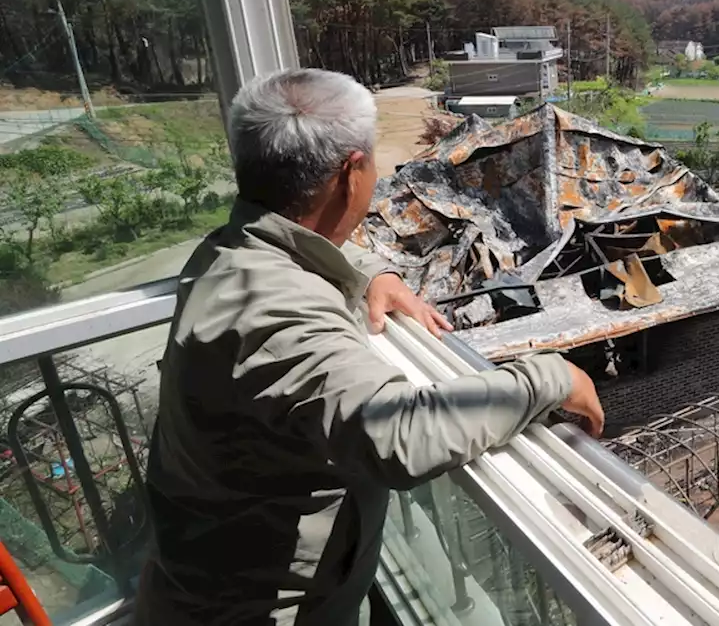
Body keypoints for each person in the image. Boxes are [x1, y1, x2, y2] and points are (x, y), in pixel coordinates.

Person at [135, 68, 603, 626]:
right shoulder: (277, 315)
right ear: (350, 173)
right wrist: (551, 378)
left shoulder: (227, 254)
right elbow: (400, 435)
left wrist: (368, 272)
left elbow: (295, 252)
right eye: (374, 161)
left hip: (212, 584)